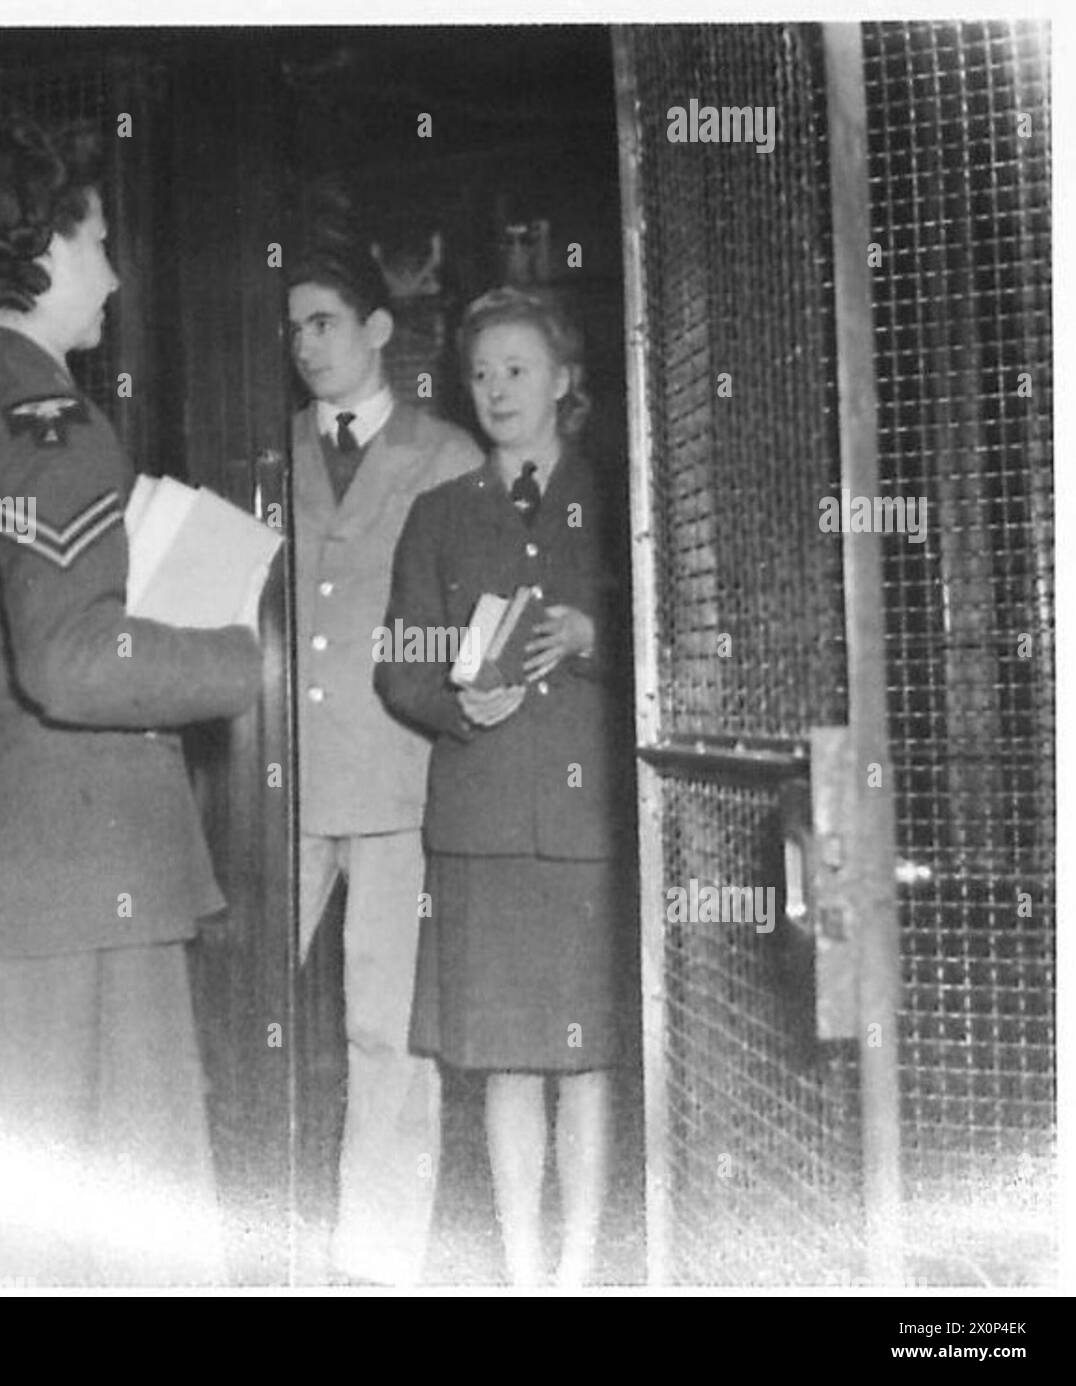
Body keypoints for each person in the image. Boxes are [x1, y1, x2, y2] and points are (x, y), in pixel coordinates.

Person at [0, 119, 263, 1286]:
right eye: (100, 241)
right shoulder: (48, 418)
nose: (116, 272)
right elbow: (72, 662)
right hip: (79, 876)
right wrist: (237, 660)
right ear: (36, 248)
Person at [375, 286, 636, 1287]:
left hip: (587, 827)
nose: (495, 390)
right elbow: (396, 662)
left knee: (588, 1056)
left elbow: (676, 642)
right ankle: (527, 1275)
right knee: (504, 1056)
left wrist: (591, 636)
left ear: (565, 382)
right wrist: (452, 703)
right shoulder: (437, 516)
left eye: (517, 369)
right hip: (481, 825)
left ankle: (576, 1272)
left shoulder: (619, 504)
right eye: (481, 373)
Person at [288, 238, 483, 1283]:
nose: (304, 343)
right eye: (292, 327)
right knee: (248, 1000)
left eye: (323, 320)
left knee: (385, 1029)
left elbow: (479, 616)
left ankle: (375, 1260)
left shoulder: (444, 454)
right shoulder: (263, 451)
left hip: (399, 782)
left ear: (375, 328)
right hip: (277, 783)